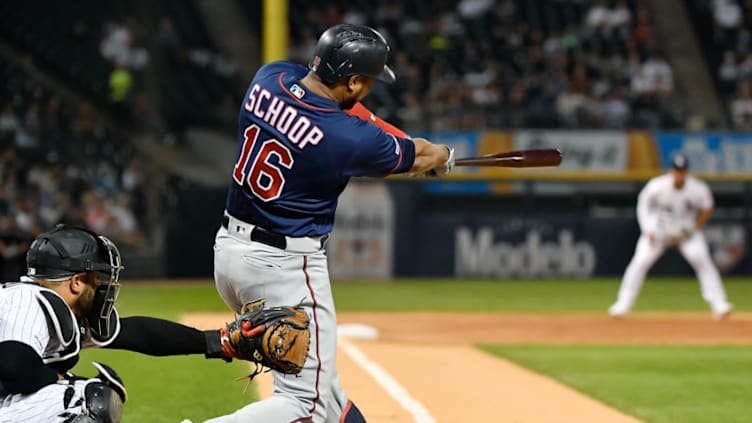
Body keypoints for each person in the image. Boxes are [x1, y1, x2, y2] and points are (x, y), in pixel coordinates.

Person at [207, 24, 454, 423]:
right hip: (285, 268)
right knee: (305, 404)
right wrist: (442, 155)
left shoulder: (269, 77)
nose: (371, 87)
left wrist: (406, 146)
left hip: (230, 256)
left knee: (330, 398)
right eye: (368, 80)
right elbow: (418, 155)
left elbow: (354, 118)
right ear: (353, 81)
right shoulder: (347, 138)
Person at [0, 225, 244, 423]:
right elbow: (12, 364)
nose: (101, 288)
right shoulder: (25, 300)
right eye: (96, 279)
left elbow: (140, 334)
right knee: (86, 399)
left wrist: (217, 341)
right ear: (76, 282)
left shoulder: (58, 310)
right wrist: (64, 380)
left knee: (79, 392)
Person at [608, 154, 733, 319]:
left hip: (685, 231)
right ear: (671, 170)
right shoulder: (657, 186)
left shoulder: (697, 188)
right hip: (659, 230)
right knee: (639, 263)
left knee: (701, 259)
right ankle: (623, 304)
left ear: (686, 171)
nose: (679, 174)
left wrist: (695, 228)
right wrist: (647, 229)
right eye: (676, 170)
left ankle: (719, 304)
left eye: (682, 171)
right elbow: (643, 204)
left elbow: (707, 207)